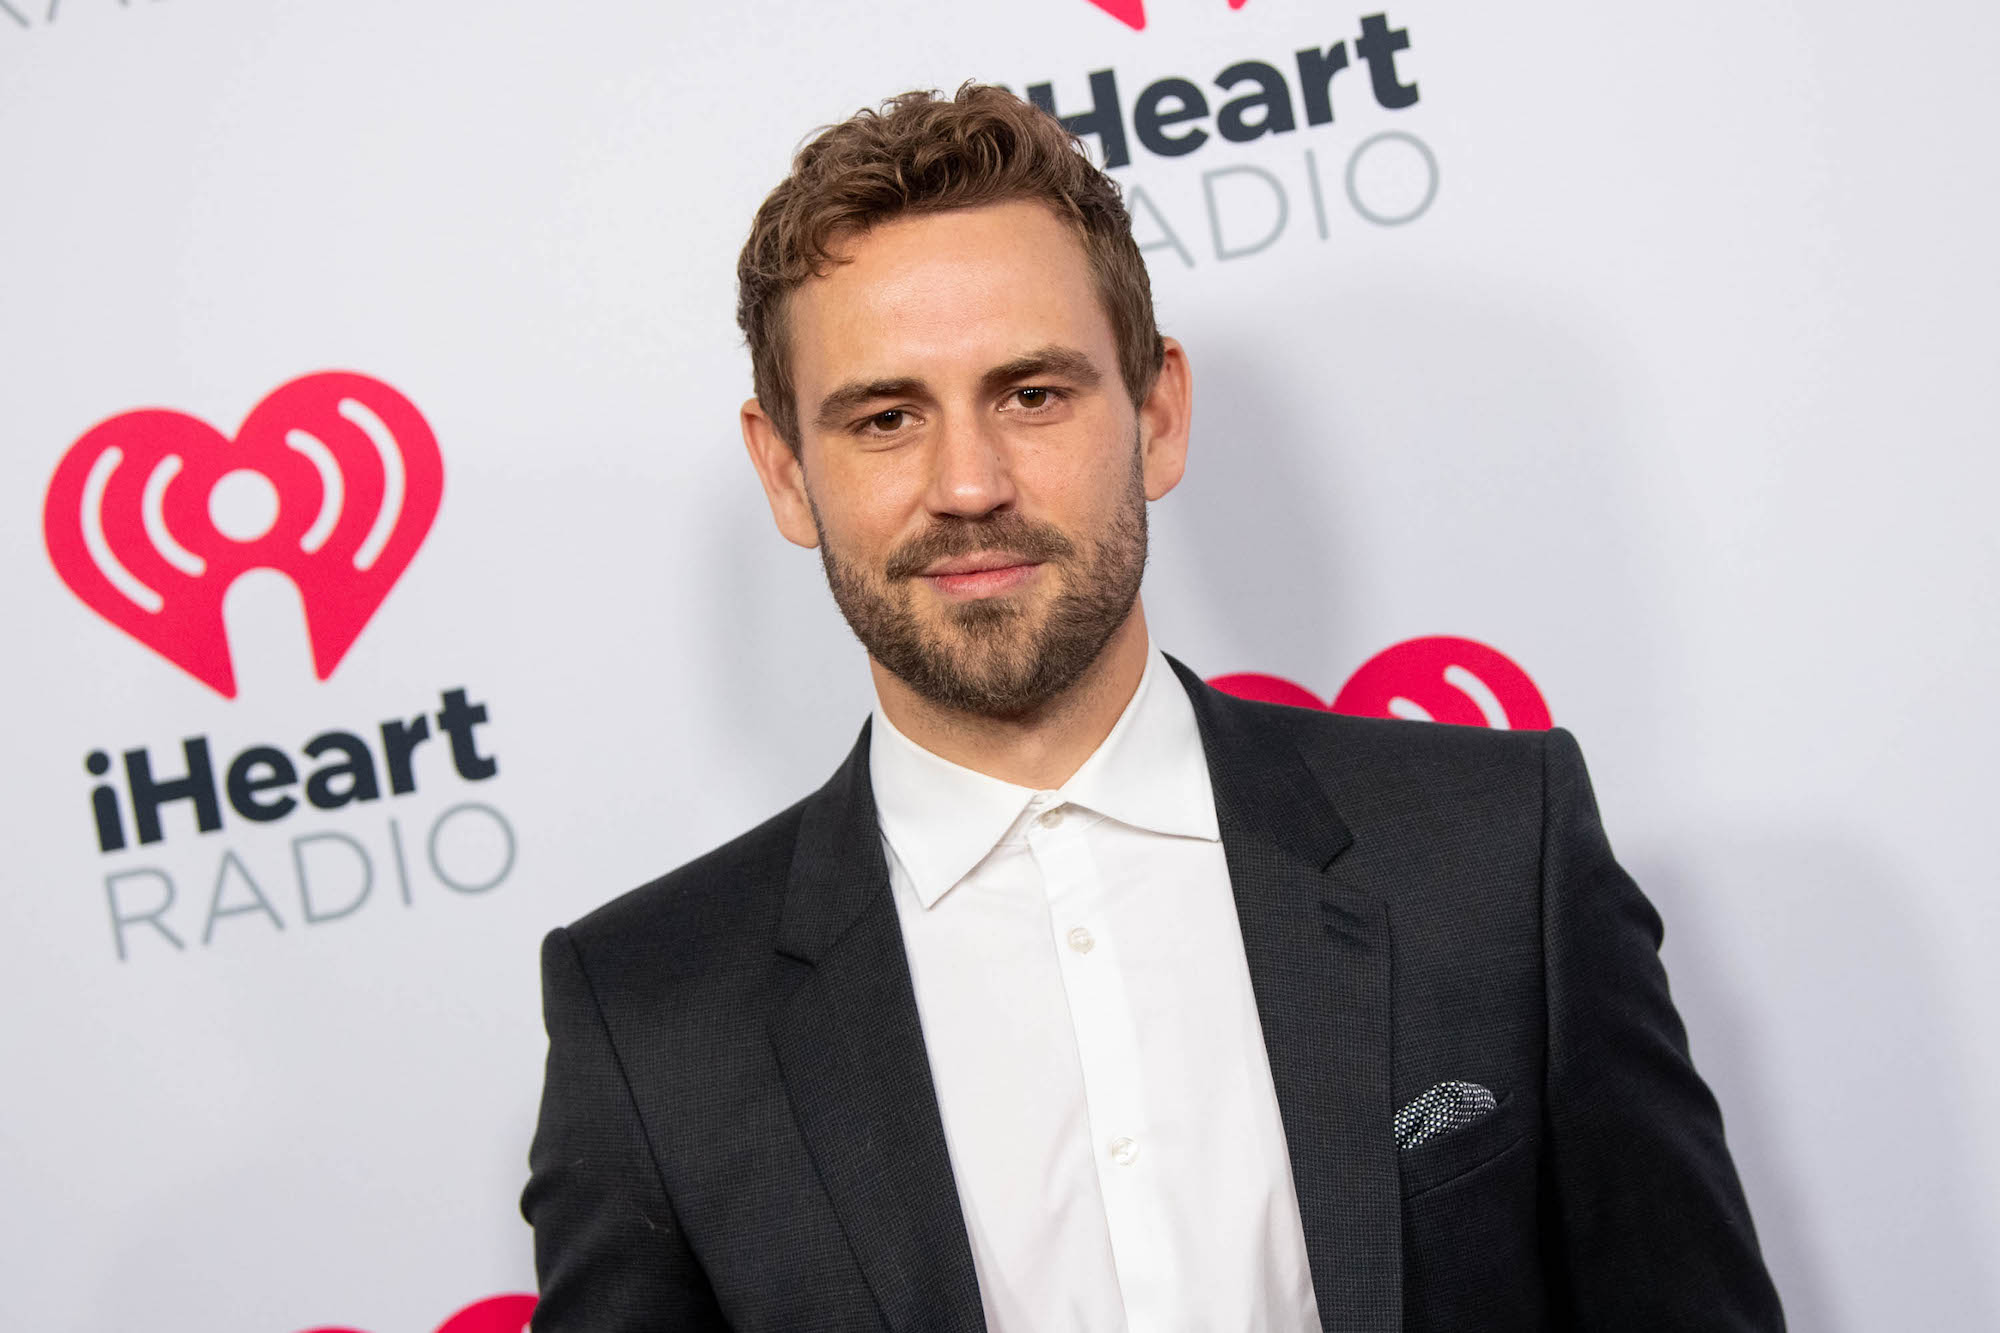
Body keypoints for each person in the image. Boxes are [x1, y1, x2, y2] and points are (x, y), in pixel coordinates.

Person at [521, 84, 1785, 1332]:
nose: (967, 483)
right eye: (886, 416)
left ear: (1158, 414)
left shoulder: (1493, 852)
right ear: (786, 474)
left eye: (1031, 394)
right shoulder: (647, 1019)